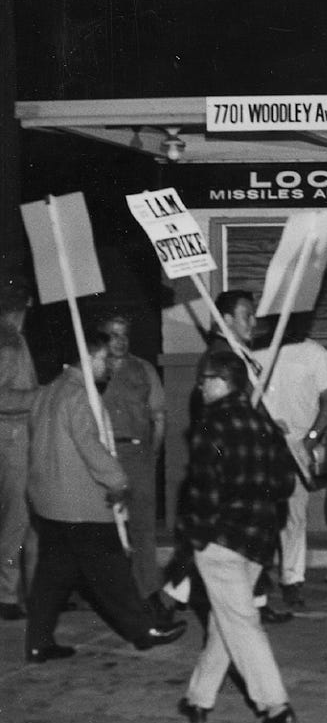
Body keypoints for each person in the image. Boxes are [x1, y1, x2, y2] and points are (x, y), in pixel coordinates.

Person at [25, 325, 187, 663]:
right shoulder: (80, 395)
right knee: (113, 572)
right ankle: (144, 630)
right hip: (80, 504)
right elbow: (89, 444)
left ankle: (38, 641)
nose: (108, 366)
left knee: (51, 577)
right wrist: (117, 480)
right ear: (87, 358)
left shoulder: (47, 391)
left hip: (48, 502)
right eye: (103, 359)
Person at [175, 350, 298, 723]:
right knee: (226, 618)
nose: (200, 387)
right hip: (259, 537)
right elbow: (285, 484)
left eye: (205, 380)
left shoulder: (211, 425)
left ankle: (276, 707)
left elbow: (204, 490)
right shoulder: (264, 423)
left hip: (221, 537)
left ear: (223, 382)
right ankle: (198, 697)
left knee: (239, 622)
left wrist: (194, 538)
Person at [254, 322, 327, 609]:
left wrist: (312, 438)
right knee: (260, 514)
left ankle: (292, 579)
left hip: (299, 447)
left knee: (294, 515)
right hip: (263, 446)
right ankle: (258, 580)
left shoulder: (314, 353)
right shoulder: (255, 351)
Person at [97, 313, 166, 606]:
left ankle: (149, 593)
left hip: (138, 455)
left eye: (124, 334)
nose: (120, 341)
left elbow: (159, 417)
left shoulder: (143, 369)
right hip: (103, 457)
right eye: (113, 335)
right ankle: (110, 594)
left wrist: (153, 454)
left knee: (143, 528)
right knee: (104, 527)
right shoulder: (94, 370)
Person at [0, 282, 39, 620]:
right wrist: (40, 397)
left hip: (16, 437)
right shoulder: (9, 344)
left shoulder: (15, 340)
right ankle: (7, 594)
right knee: (16, 519)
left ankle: (28, 591)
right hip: (12, 439)